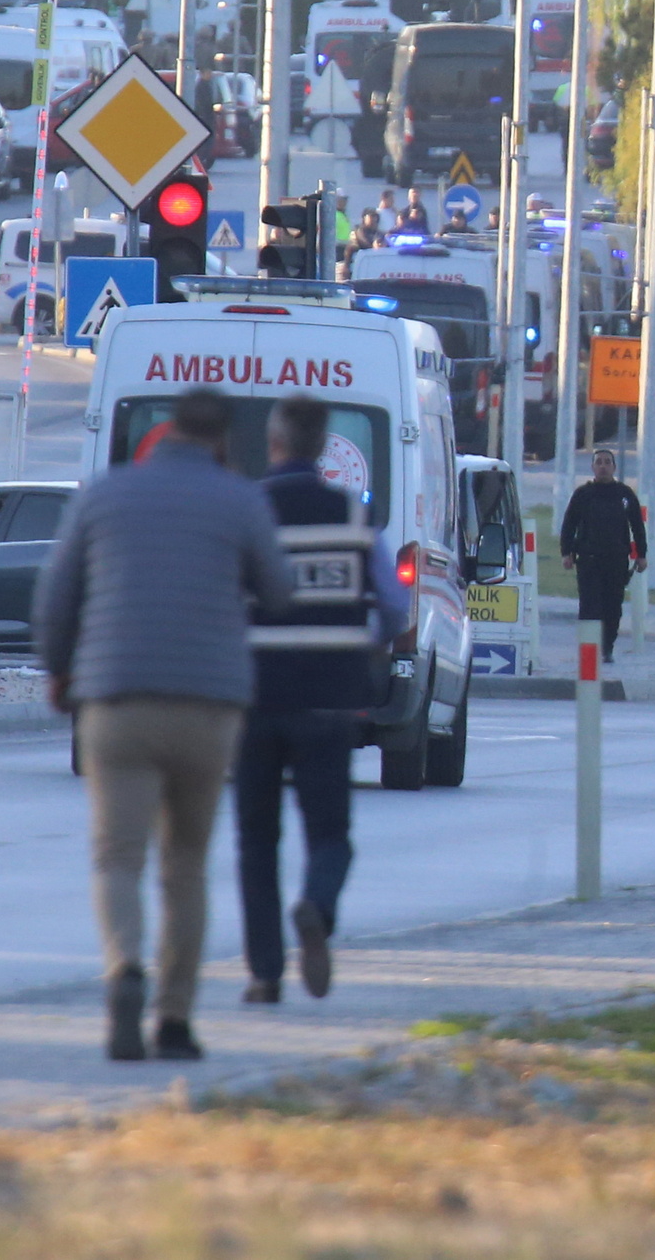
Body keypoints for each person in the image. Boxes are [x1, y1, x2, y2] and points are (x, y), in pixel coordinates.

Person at [35, 386, 291, 1063]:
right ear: (222, 440)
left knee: (117, 855)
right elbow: (280, 591)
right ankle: (174, 1018)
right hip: (207, 704)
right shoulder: (241, 501)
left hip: (116, 698)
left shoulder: (105, 494)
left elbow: (57, 597)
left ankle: (124, 969)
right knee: (186, 865)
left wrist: (60, 671)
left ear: (171, 428)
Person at [236, 396, 408, 1004]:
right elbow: (393, 606)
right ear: (320, 447)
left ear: (275, 442)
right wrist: (359, 642)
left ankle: (263, 973)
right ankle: (316, 906)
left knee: (257, 842)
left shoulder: (249, 511)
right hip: (332, 699)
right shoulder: (352, 514)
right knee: (329, 833)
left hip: (256, 696)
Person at [560, 446, 648, 662]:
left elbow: (637, 526)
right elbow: (569, 524)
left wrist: (642, 554)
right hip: (588, 559)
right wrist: (566, 552)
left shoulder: (625, 495)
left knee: (612, 606)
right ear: (592, 467)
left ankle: (606, 648)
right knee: (590, 606)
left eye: (607, 462)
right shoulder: (583, 494)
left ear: (614, 467)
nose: (603, 466)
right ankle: (589, 649)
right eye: (598, 462)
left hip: (616, 560)